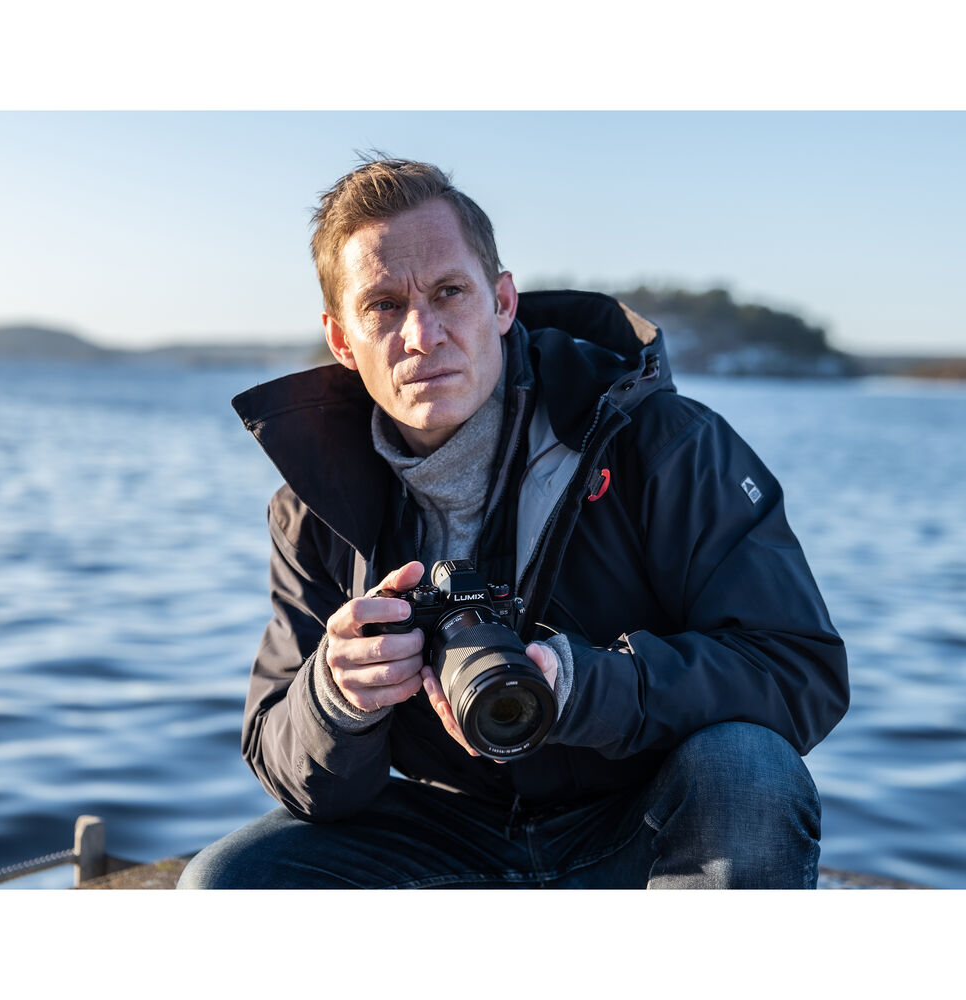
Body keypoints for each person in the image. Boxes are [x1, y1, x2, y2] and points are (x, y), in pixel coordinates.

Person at [178, 157, 849, 889]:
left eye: (449, 292)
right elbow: (293, 766)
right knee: (226, 884)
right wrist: (334, 699)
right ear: (342, 340)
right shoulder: (312, 507)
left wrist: (587, 686)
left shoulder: (663, 445)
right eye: (383, 306)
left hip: (641, 826)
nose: (422, 335)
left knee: (750, 772)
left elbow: (799, 671)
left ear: (501, 302)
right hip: (450, 832)